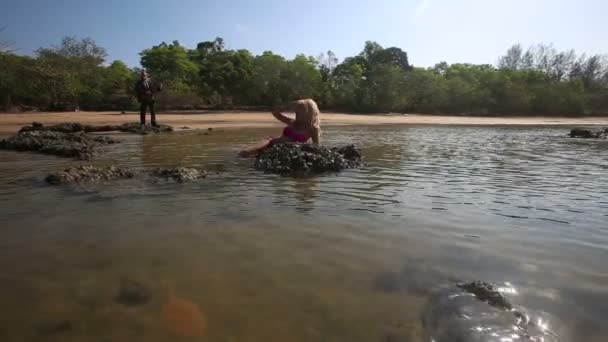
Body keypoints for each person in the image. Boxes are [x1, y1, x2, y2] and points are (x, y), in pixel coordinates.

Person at [239, 99, 321, 157]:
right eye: (297, 111)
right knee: (245, 153)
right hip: (270, 142)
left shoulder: (313, 128)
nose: (297, 113)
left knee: (250, 158)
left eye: (300, 111)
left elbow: (316, 146)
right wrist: (290, 105)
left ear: (310, 113)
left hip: (282, 150)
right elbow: (275, 113)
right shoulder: (292, 122)